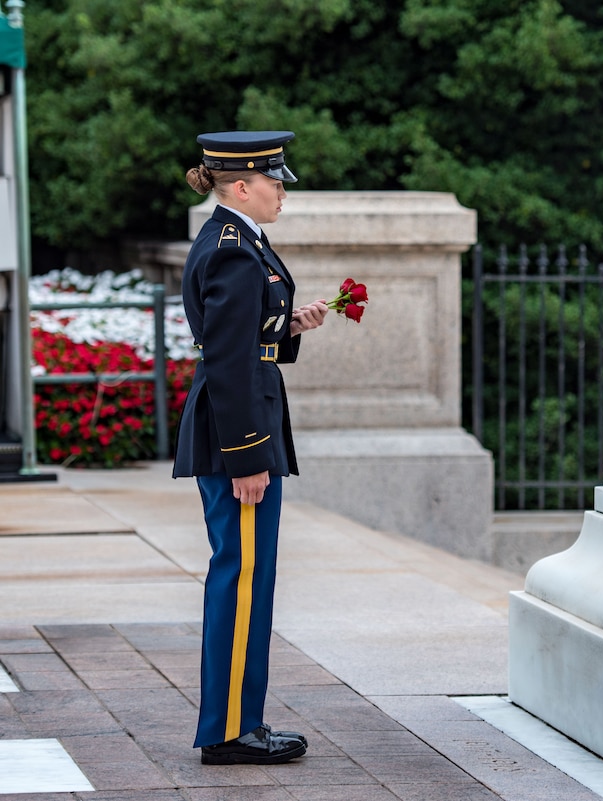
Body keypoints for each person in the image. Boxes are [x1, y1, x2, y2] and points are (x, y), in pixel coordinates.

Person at [172, 130, 328, 765]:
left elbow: (242, 335)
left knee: (247, 577)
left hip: (243, 423)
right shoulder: (234, 249)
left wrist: (289, 323)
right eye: (274, 180)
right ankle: (232, 730)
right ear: (242, 185)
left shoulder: (239, 241)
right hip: (239, 434)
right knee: (240, 580)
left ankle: (239, 720)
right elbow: (230, 360)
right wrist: (247, 459)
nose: (281, 190)